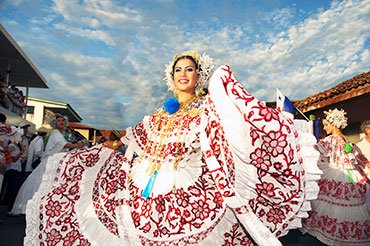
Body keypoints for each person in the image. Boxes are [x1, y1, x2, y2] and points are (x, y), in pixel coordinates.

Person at [25, 51, 316, 245]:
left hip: (189, 184)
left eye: (190, 69)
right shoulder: (163, 112)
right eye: (179, 69)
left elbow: (223, 131)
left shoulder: (206, 108)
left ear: (198, 75)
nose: (183, 74)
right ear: (172, 76)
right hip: (147, 182)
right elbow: (134, 136)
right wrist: (107, 144)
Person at [302, 109, 370, 245]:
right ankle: (346, 234)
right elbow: (355, 158)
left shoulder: (330, 140)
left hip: (338, 174)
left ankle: (333, 234)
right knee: (347, 206)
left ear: (334, 125)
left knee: (332, 205)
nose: (324, 128)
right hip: (351, 176)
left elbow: (314, 153)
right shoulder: (346, 139)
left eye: (326, 125)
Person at [9, 114, 85, 216]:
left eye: (63, 120)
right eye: (59, 120)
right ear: (55, 123)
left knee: (46, 183)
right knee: (43, 183)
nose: (61, 122)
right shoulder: (55, 132)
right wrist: (77, 145)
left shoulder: (59, 133)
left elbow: (63, 146)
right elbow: (63, 144)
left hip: (54, 161)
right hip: (50, 162)